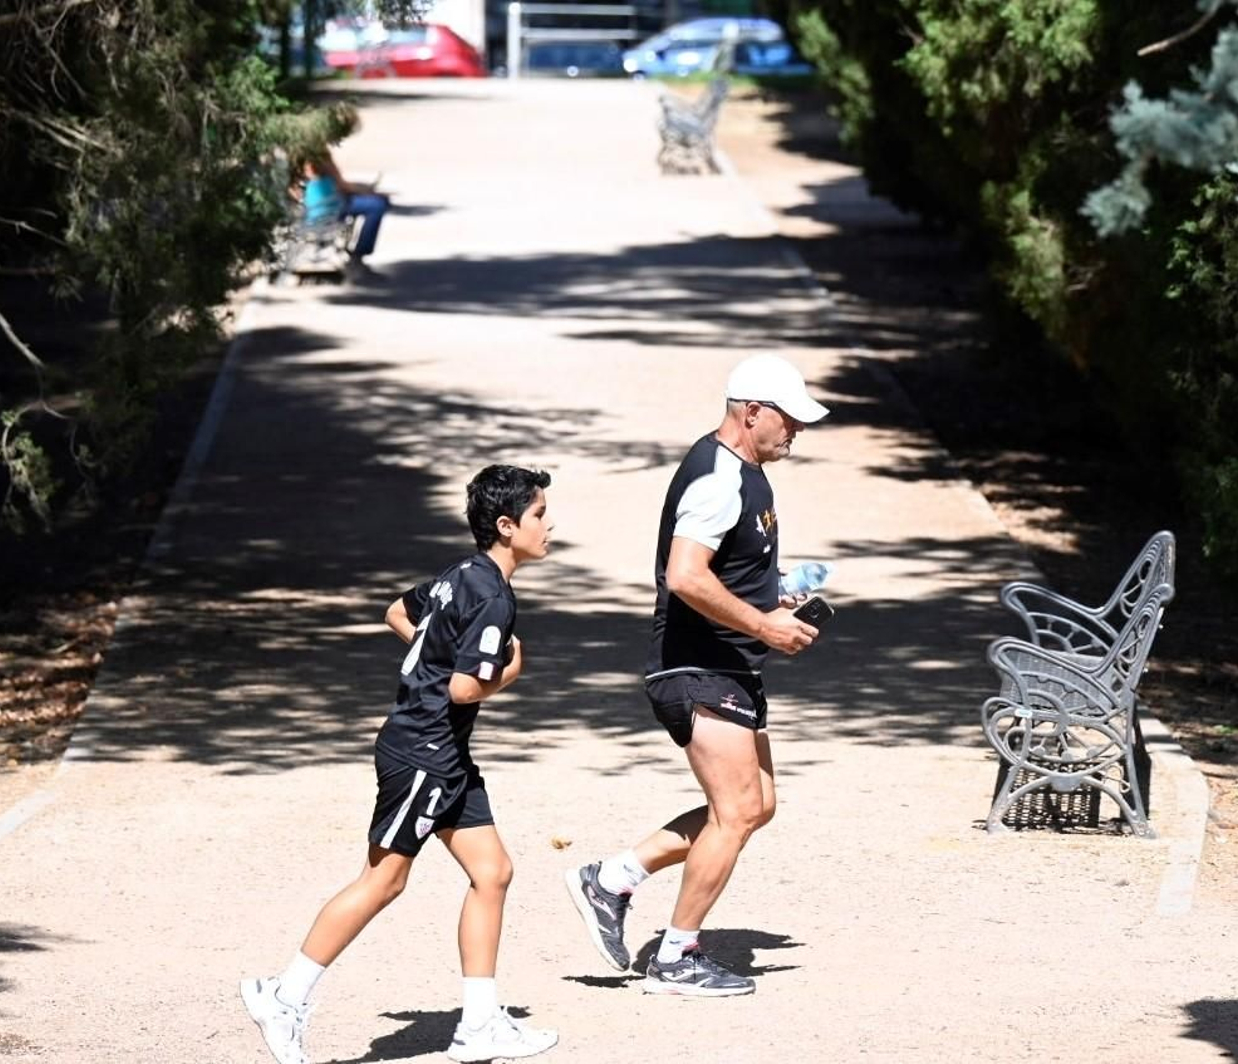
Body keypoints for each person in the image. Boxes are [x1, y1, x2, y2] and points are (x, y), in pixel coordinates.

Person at [241, 465, 559, 1064]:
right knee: (384, 879)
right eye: (539, 515)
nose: (549, 525)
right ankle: (284, 996)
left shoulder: (461, 574)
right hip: (424, 752)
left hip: (441, 752)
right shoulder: (493, 596)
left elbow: (396, 613)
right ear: (506, 525)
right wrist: (507, 676)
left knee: (492, 872)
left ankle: (479, 1024)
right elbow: (467, 689)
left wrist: (430, 663)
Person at [564, 354, 828, 996]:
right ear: (752, 412)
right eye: (790, 419)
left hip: (728, 664)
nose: (797, 430)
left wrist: (776, 597)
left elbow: (726, 573)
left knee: (755, 806)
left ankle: (614, 877)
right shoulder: (717, 477)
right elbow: (685, 576)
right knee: (736, 811)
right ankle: (676, 957)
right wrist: (765, 627)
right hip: (696, 665)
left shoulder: (749, 475)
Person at [298, 152, 391, 267]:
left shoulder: (299, 164)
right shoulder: (321, 157)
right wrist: (367, 191)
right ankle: (361, 251)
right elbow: (344, 187)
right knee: (377, 205)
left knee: (370, 202)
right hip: (333, 210)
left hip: (313, 213)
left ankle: (357, 248)